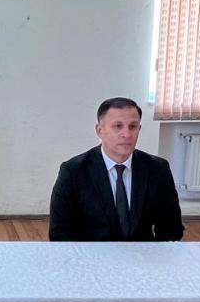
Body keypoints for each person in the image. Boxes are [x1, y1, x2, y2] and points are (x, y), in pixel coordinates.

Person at [49, 97, 183, 241]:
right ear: (100, 130)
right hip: (92, 253)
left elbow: (171, 228)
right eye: (118, 126)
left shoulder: (158, 169)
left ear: (139, 129)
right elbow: (60, 232)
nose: (127, 134)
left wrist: (153, 254)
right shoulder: (73, 171)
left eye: (133, 126)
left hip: (142, 253)